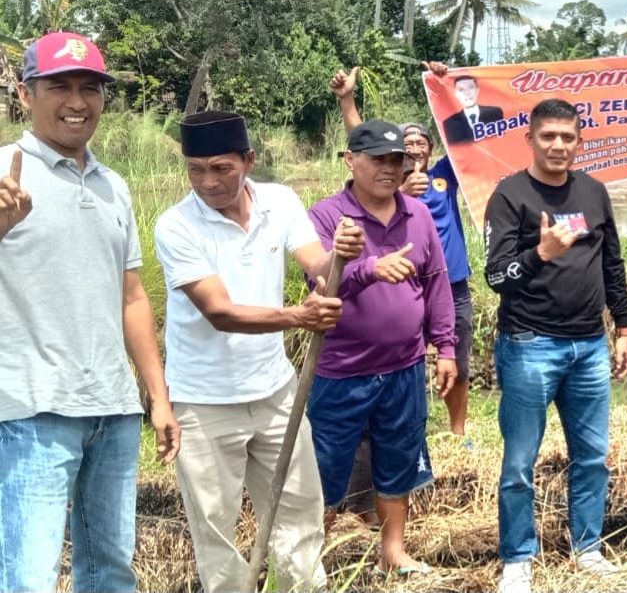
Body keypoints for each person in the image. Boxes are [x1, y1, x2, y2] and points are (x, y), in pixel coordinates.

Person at [0, 32, 179, 593]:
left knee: (110, 573)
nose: (77, 102)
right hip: (32, 408)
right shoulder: (3, 172)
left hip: (112, 409)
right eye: (59, 87)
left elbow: (131, 296)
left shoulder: (114, 186)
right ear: (26, 95)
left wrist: (157, 394)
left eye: (90, 88)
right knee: (28, 577)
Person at [154, 111, 362, 592]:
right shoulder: (176, 226)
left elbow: (318, 264)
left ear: (249, 160)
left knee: (299, 512)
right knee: (215, 530)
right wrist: (297, 316)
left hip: (274, 390)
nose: (207, 182)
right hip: (204, 403)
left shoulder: (280, 200)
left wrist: (343, 254)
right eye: (195, 169)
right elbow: (220, 312)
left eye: (221, 168)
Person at [484, 98, 627, 593]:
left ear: (579, 141)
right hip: (529, 344)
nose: (558, 146)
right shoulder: (510, 195)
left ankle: (587, 547)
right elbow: (495, 276)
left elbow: (612, 266)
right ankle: (517, 557)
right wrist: (540, 254)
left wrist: (625, 328)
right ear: (529, 139)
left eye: (568, 137)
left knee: (592, 456)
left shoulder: (593, 192)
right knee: (521, 461)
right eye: (548, 136)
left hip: (590, 346)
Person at [307, 119, 458, 575]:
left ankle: (392, 551)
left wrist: (446, 347)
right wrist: (368, 268)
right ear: (351, 160)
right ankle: (313, 556)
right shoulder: (327, 216)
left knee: (398, 458)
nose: (390, 169)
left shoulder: (419, 213)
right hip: (342, 369)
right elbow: (319, 282)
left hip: (404, 366)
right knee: (325, 464)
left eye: (398, 161)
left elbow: (436, 284)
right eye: (379, 159)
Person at [331, 64, 474, 438]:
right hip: (398, 281)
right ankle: (405, 427)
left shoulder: (445, 173)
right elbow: (362, 144)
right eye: (405, 146)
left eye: (419, 142)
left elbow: (464, 137)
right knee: (401, 357)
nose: (413, 148)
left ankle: (457, 431)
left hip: (448, 283)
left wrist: (447, 88)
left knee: (455, 356)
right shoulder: (390, 186)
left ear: (429, 147)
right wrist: (347, 100)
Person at [442, 74, 504, 144]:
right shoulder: (450, 123)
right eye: (461, 90)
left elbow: (503, 140)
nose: (467, 93)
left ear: (477, 90)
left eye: (470, 88)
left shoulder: (495, 113)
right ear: (456, 94)